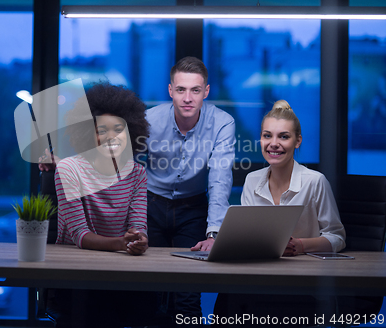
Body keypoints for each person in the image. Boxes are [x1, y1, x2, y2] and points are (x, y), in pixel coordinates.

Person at [213, 100, 346, 327]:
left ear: (298, 141)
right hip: (258, 280)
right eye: (267, 136)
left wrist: (301, 246)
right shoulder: (252, 180)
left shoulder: (315, 182)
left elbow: (337, 237)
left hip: (303, 287)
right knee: (225, 304)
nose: (273, 144)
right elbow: (246, 236)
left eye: (283, 137)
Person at [47, 82, 167, 328]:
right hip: (76, 273)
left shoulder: (136, 173)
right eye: (102, 130)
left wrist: (139, 239)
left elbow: (138, 225)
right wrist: (122, 243)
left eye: (119, 129)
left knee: (145, 308)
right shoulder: (68, 169)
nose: (111, 137)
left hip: (121, 268)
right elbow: (80, 236)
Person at [140, 56, 236, 322]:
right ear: (170, 90)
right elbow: (119, 163)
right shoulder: (148, 120)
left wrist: (214, 232)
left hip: (193, 209)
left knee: (188, 296)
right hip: (152, 205)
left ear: (206, 91)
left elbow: (220, 177)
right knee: (149, 293)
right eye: (180, 90)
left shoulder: (222, 123)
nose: (187, 98)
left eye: (195, 90)